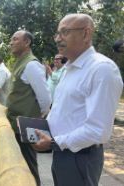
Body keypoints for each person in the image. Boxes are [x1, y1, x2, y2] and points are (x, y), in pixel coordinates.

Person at [33, 13, 123, 186]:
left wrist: (54, 142)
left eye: (65, 32)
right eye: (57, 34)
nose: (58, 39)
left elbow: (98, 130)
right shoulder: (70, 68)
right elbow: (65, 109)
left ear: (86, 33)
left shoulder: (101, 69)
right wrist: (44, 127)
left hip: (80, 157)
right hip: (62, 151)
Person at [7, 30, 51, 186]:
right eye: (11, 39)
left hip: (26, 124)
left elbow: (45, 98)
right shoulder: (19, 62)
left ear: (27, 42)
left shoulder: (31, 64)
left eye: (15, 39)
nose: (11, 42)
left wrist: (36, 119)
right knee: (20, 162)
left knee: (29, 164)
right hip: (17, 123)